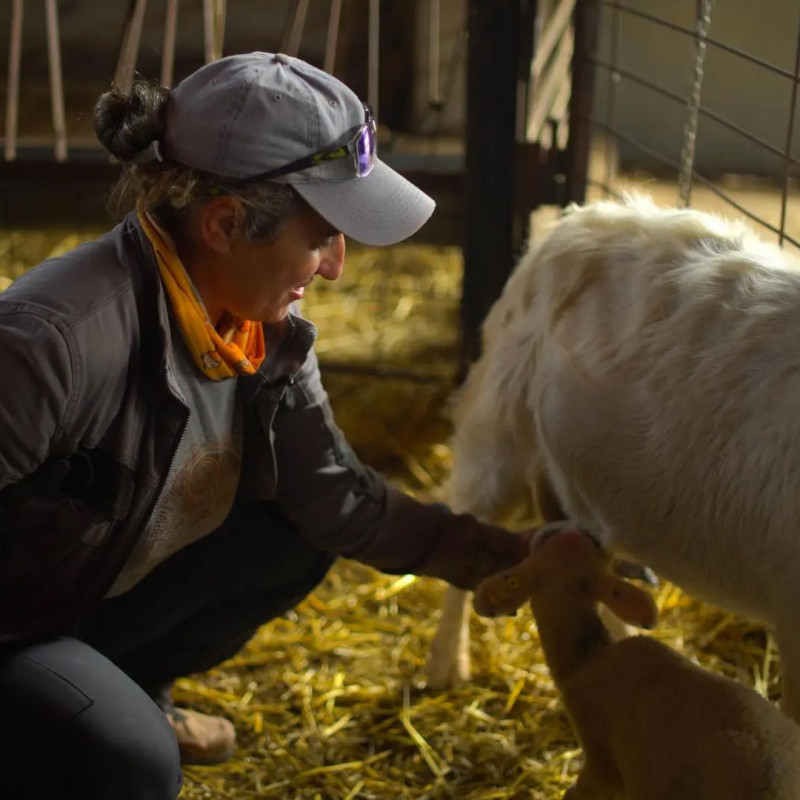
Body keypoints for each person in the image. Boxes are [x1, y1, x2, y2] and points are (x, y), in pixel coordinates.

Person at [0, 52, 534, 799]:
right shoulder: (50, 340)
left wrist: (497, 554)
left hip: (85, 592)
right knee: (132, 765)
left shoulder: (262, 328)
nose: (336, 267)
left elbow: (333, 498)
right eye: (321, 237)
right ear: (226, 224)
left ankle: (123, 685)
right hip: (16, 626)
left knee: (293, 539)